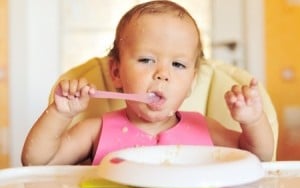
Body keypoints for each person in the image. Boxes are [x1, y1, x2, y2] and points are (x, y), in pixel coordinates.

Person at [21, 0, 274, 166]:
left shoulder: (204, 129)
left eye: (178, 65)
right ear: (116, 72)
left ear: (191, 82)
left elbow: (258, 156)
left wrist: (252, 120)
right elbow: (37, 163)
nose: (162, 74)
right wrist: (59, 113)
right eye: (146, 59)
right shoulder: (97, 130)